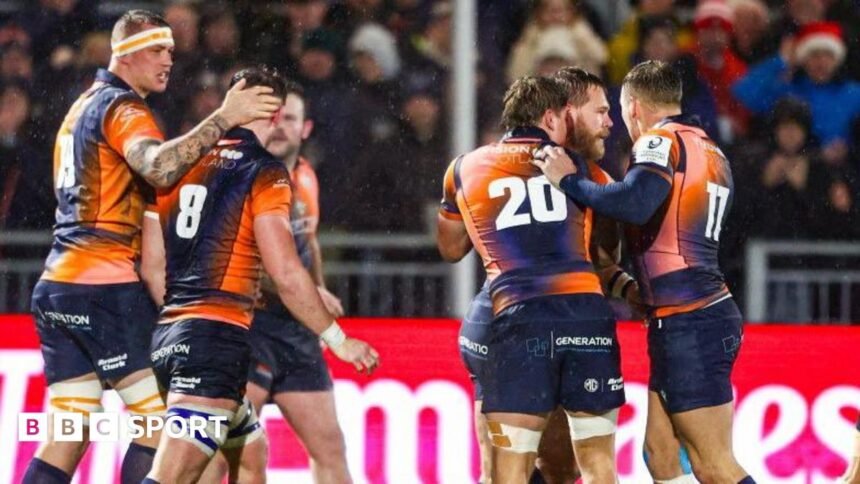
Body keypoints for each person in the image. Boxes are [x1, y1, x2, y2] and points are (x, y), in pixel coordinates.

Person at [25, 10, 281, 484]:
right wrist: (225, 116)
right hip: (104, 288)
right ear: (125, 53)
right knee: (164, 426)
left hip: (58, 288)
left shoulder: (81, 106)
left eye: (171, 51)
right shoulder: (124, 110)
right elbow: (158, 167)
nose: (168, 60)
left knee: (69, 430)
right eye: (158, 50)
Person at [140, 66, 379, 484]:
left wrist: (183, 319)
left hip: (172, 335)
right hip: (217, 338)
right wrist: (337, 338)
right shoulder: (264, 171)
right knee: (177, 473)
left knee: (250, 452)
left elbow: (151, 265)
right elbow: (285, 271)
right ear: (275, 114)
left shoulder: (178, 163)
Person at [532, 60, 753, 484]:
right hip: (693, 315)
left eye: (616, 111)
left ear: (633, 106)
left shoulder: (658, 140)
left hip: (690, 319)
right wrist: (637, 290)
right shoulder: (710, 147)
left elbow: (635, 203)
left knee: (713, 465)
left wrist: (568, 182)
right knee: (660, 455)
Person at [438, 75, 625, 483]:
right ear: (553, 117)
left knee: (506, 471)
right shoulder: (587, 173)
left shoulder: (464, 167)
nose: (607, 122)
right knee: (591, 467)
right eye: (599, 112)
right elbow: (608, 253)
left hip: (510, 319)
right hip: (585, 319)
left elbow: (450, 249)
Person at [200, 80, 353, 484]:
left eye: (290, 118)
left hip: (294, 331)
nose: (281, 126)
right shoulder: (242, 177)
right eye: (274, 117)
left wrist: (318, 291)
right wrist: (309, 296)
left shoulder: (305, 176)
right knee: (227, 453)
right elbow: (245, 257)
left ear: (306, 129)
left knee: (330, 448)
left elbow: (308, 240)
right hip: (248, 327)